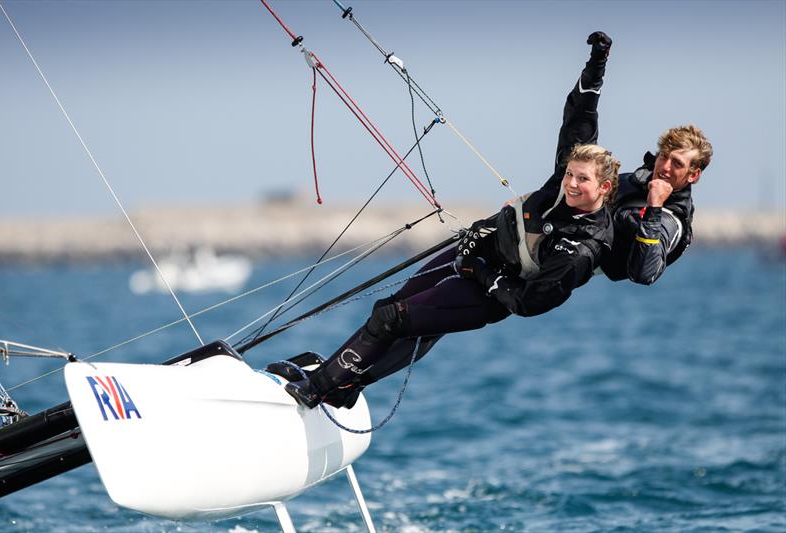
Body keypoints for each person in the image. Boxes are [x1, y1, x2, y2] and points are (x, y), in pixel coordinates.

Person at [274, 32, 618, 409]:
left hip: (488, 293)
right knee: (387, 312)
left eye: (581, 180)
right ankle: (342, 385)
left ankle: (317, 389)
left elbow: (530, 303)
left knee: (393, 319)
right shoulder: (564, 178)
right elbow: (580, 114)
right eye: (570, 174)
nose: (570, 183)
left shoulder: (583, 246)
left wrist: (481, 272)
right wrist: (597, 62)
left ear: (604, 187)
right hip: (470, 254)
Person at [600, 125, 713, 284]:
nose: (665, 167)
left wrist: (654, 207)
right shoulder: (634, 180)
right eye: (663, 156)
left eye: (677, 164)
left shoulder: (672, 221)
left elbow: (644, 274)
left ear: (693, 175)